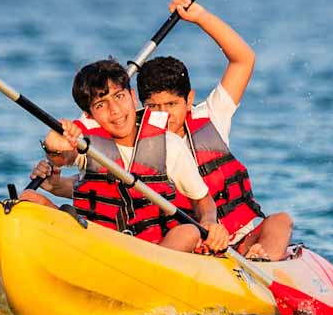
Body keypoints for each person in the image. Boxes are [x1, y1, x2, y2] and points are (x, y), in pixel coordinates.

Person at [133, 0, 295, 261]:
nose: (164, 115)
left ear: (189, 100)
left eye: (171, 104)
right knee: (186, 234)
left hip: (239, 242)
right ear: (141, 105)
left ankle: (262, 261)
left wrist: (200, 17)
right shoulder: (134, 140)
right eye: (153, 107)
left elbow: (243, 60)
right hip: (186, 244)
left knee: (281, 221)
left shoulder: (212, 116)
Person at [22, 59, 228, 253]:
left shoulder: (170, 145)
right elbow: (63, 157)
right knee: (29, 199)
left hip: (153, 250)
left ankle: (145, 273)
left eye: (119, 97)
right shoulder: (86, 143)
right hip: (96, 241)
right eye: (101, 104)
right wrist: (54, 147)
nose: (115, 110)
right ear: (89, 115)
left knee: (189, 231)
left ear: (133, 96)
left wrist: (209, 221)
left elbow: (203, 201)